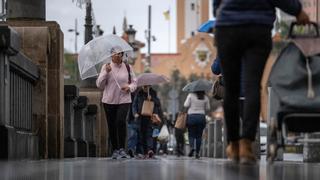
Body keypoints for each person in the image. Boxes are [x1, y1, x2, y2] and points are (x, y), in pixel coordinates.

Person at [214, 0, 310, 164]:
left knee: (231, 89)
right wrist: (298, 11)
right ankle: (246, 144)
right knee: (252, 86)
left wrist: (220, 13)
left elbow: (216, 4)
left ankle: (234, 144)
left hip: (227, 26)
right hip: (258, 27)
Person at [96, 47, 137, 159]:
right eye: (115, 54)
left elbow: (135, 82)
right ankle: (115, 150)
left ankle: (122, 149)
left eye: (120, 54)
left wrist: (129, 87)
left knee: (120, 121)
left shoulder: (128, 67)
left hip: (124, 99)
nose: (117, 56)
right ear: (111, 55)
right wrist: (105, 73)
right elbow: (99, 85)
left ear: (122, 55)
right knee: (112, 125)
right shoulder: (106, 67)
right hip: (109, 100)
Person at [132, 85, 163, 158]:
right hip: (141, 117)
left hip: (151, 117)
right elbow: (134, 105)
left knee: (149, 133)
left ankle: (150, 150)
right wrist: (135, 113)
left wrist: (152, 99)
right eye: (144, 86)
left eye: (147, 86)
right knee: (142, 134)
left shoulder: (153, 93)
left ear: (149, 86)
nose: (145, 88)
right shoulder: (138, 93)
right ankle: (144, 151)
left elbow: (158, 104)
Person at [184, 91, 210, 159]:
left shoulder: (190, 95)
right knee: (199, 136)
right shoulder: (205, 97)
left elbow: (186, 105)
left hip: (192, 116)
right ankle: (197, 153)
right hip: (201, 117)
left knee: (191, 134)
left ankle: (192, 147)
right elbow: (208, 108)